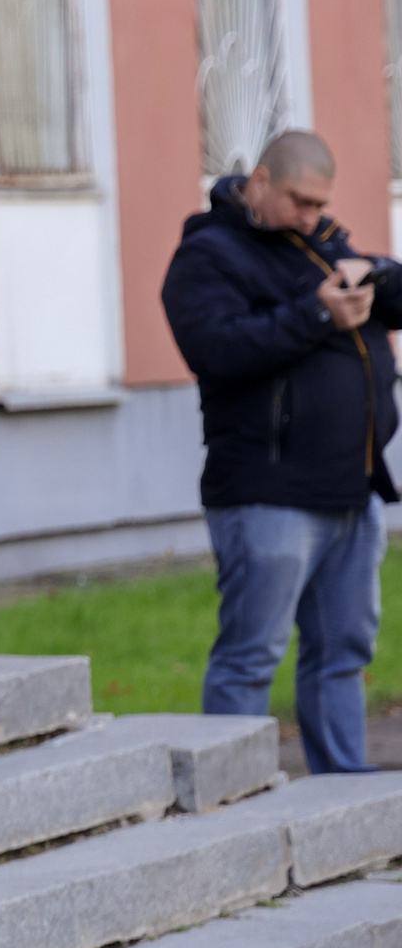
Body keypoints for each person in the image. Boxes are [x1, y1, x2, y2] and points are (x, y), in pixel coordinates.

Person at [161, 129, 397, 775]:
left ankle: (343, 799)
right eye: (299, 200)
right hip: (267, 496)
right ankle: (231, 800)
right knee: (251, 657)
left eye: (321, 204)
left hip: (352, 491)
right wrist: (317, 316)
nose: (312, 216)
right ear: (259, 181)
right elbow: (216, 348)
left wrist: (371, 271)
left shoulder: (322, 245)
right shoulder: (209, 256)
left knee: (342, 655)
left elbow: (394, 298)